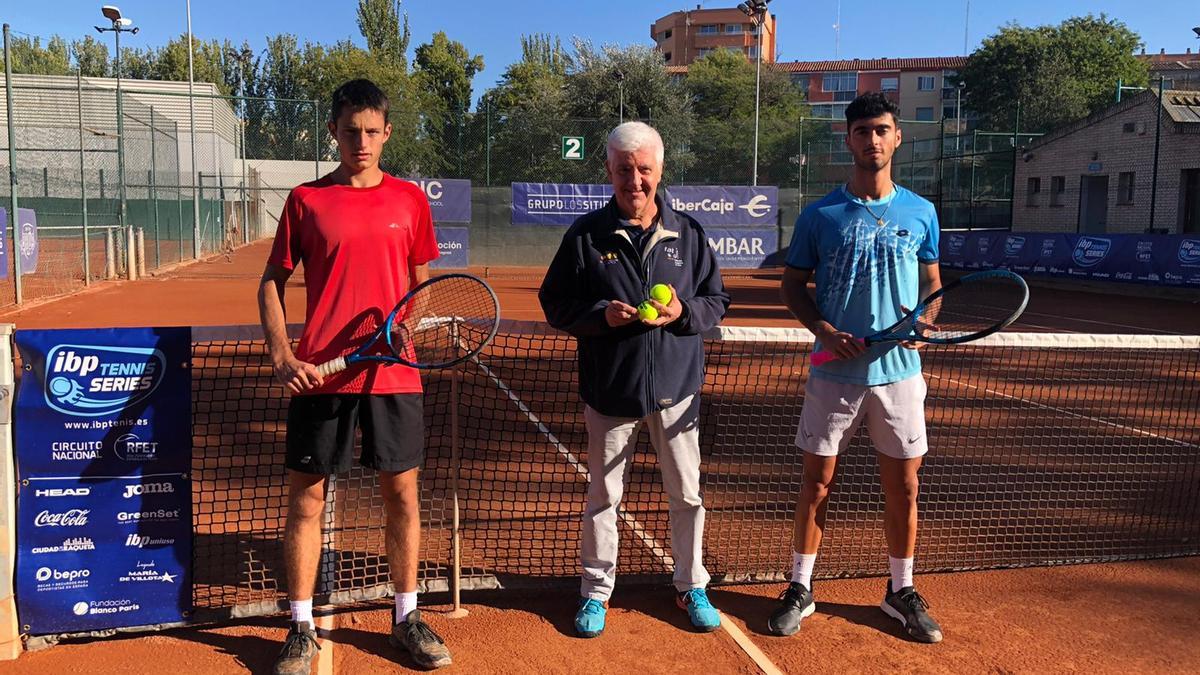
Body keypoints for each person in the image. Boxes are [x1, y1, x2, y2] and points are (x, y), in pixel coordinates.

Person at [258, 79, 451, 673]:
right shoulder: (305, 200)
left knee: (402, 497)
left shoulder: (410, 201)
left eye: (371, 131)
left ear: (387, 133)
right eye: (349, 131)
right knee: (306, 501)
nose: (360, 142)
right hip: (321, 375)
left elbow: (419, 280)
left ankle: (406, 616)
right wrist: (282, 353)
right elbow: (271, 281)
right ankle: (299, 625)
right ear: (333, 133)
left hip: (394, 374)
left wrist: (406, 323)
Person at [539, 121, 731, 638]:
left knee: (687, 495)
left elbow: (716, 301)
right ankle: (596, 593)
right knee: (604, 496)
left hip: (677, 393)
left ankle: (692, 585)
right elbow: (555, 303)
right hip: (611, 393)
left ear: (660, 170)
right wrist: (603, 315)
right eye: (625, 170)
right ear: (609, 171)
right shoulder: (585, 236)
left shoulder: (688, 234)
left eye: (644, 169)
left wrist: (682, 313)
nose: (635, 181)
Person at [771, 92, 944, 643]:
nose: (872, 140)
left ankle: (900, 590)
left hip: (899, 376)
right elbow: (793, 285)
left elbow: (932, 285)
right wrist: (823, 329)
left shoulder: (922, 212)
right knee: (816, 484)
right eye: (863, 130)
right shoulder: (820, 215)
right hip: (832, 375)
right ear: (848, 139)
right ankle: (801, 586)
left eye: (882, 130)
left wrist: (925, 320)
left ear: (897, 138)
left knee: (905, 488)